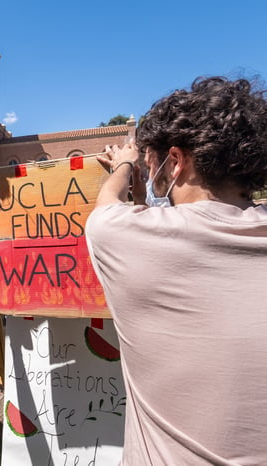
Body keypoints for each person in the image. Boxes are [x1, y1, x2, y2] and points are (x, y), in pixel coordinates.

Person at [86, 76, 267, 464]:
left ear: (177, 161)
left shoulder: (121, 235)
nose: (151, 176)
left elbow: (105, 211)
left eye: (152, 166)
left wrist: (122, 166)